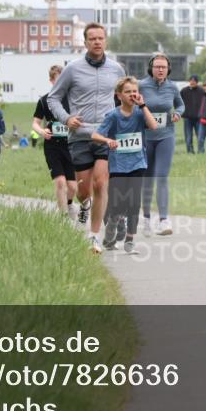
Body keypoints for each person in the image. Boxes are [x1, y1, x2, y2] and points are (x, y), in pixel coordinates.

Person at [47, 23, 125, 252]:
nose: (97, 42)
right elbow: (53, 98)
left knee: (101, 183)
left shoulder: (116, 69)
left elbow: (124, 98)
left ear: (106, 41)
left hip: (105, 134)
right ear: (85, 42)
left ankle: (94, 235)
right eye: (92, 39)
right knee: (83, 192)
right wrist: (66, 118)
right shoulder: (72, 69)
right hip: (80, 135)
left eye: (101, 38)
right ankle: (87, 206)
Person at [92, 76, 159, 253]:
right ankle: (113, 222)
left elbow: (153, 126)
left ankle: (130, 241)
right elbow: (95, 136)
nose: (132, 94)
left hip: (138, 163)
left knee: (134, 203)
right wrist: (107, 140)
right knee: (118, 204)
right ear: (119, 95)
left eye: (134, 91)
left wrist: (143, 106)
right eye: (128, 92)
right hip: (118, 166)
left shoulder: (140, 113)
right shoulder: (113, 116)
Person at [139, 53, 184, 236]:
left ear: (168, 69)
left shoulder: (172, 87)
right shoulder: (141, 85)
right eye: (157, 66)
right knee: (147, 178)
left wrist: (178, 114)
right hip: (146, 137)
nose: (160, 70)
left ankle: (164, 219)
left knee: (162, 176)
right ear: (151, 68)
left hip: (166, 136)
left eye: (163, 67)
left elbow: (181, 105)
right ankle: (147, 218)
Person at [33, 65, 79, 219]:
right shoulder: (44, 100)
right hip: (52, 145)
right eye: (57, 80)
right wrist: (41, 131)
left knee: (72, 186)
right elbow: (35, 123)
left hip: (71, 145)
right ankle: (63, 216)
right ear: (51, 81)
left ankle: (69, 203)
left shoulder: (73, 100)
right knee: (60, 182)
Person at [180, 74, 203, 154]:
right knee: (188, 136)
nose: (192, 82)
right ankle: (190, 151)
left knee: (200, 136)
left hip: (199, 118)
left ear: (197, 82)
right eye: (191, 80)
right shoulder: (184, 91)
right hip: (187, 118)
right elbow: (178, 102)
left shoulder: (202, 91)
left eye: (194, 81)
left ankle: (201, 151)